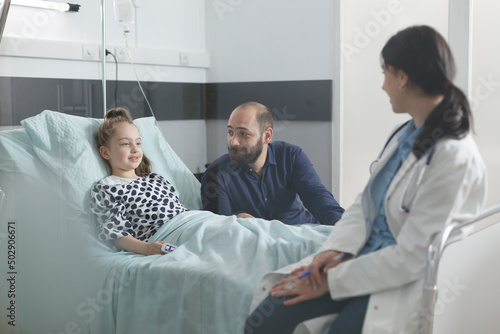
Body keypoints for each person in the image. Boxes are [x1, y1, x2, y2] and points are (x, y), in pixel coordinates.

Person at [245, 25, 487, 334]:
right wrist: (334, 252)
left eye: (385, 72)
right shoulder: (405, 134)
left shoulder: (454, 158)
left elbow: (412, 257)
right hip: (357, 259)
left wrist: (331, 281)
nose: (383, 85)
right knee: (265, 319)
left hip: (396, 280)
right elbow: (365, 204)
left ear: (403, 77)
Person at [201, 101, 344, 225]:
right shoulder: (216, 174)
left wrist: (339, 222)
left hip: (301, 228)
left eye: (243, 134)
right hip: (256, 240)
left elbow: (316, 195)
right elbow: (220, 228)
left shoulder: (291, 156)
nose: (234, 142)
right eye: (230, 132)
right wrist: (238, 217)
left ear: (267, 136)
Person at [90, 107, 188, 255]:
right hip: (166, 236)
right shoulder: (107, 188)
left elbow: (180, 211)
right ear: (105, 152)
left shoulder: (157, 180)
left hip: (191, 223)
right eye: (125, 144)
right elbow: (116, 233)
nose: (135, 149)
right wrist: (147, 248)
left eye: (138, 143)